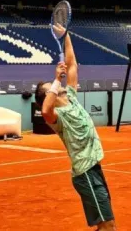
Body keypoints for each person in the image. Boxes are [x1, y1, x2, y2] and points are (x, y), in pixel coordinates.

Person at [34, 26, 116, 231]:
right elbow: (44, 110)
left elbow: (72, 66)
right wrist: (56, 79)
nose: (58, 88)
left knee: (104, 225)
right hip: (84, 173)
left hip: (94, 167)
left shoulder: (70, 97)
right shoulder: (56, 116)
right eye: (51, 90)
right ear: (49, 95)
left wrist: (66, 36)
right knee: (109, 225)